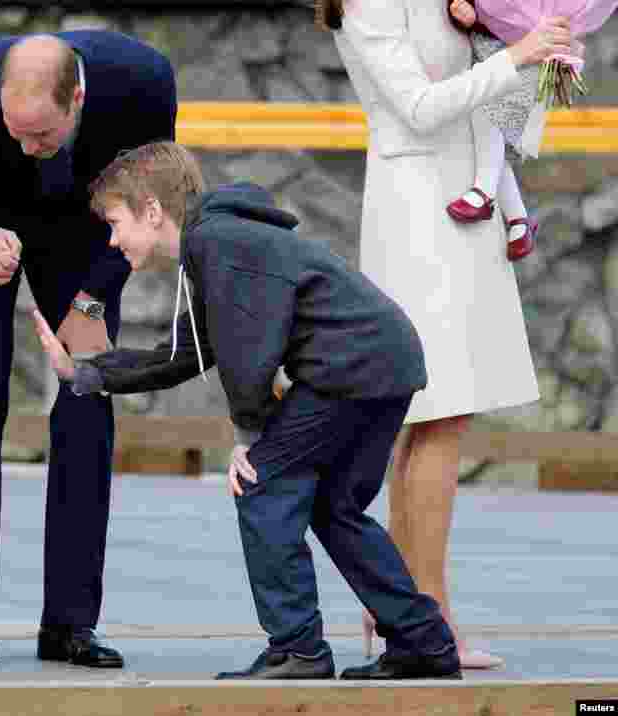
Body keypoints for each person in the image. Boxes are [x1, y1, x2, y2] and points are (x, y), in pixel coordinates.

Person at [33, 141, 462, 680]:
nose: (112, 238)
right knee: (334, 506)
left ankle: (299, 649)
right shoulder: (216, 244)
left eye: (115, 222)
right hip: (382, 362)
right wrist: (86, 373)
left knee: (261, 484)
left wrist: (251, 434)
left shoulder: (220, 242)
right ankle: (422, 642)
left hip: (350, 368)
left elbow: (249, 351)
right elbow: (189, 354)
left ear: (151, 211)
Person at [318, 0, 571, 668]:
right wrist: (519, 54)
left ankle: (407, 610)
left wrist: (543, 61)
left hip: (467, 201)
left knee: (439, 417)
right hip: (414, 206)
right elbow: (420, 107)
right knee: (437, 409)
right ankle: (424, 616)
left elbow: (491, 104)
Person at [0, 31, 177, 668]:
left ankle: (70, 624)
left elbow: (148, 204)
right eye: (15, 131)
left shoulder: (143, 81)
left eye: (42, 135)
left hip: (85, 242)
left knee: (85, 391)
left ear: (79, 96)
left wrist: (89, 302)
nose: (28, 147)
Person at [444, 0, 548, 261]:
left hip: (524, 53)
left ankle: (484, 193)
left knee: (486, 112)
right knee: (490, 140)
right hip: (491, 48)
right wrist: (466, 15)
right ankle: (519, 220)